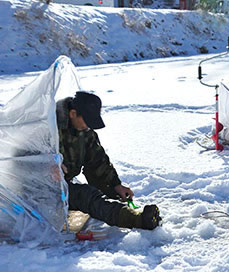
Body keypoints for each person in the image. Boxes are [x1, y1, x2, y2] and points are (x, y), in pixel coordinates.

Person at [57, 91, 161, 230]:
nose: (88, 126)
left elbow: (97, 162)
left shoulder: (84, 133)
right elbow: (21, 158)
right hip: (35, 192)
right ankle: (136, 220)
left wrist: (114, 185)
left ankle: (128, 212)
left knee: (109, 193)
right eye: (86, 120)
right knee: (86, 196)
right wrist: (47, 165)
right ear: (73, 114)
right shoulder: (45, 128)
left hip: (61, 186)